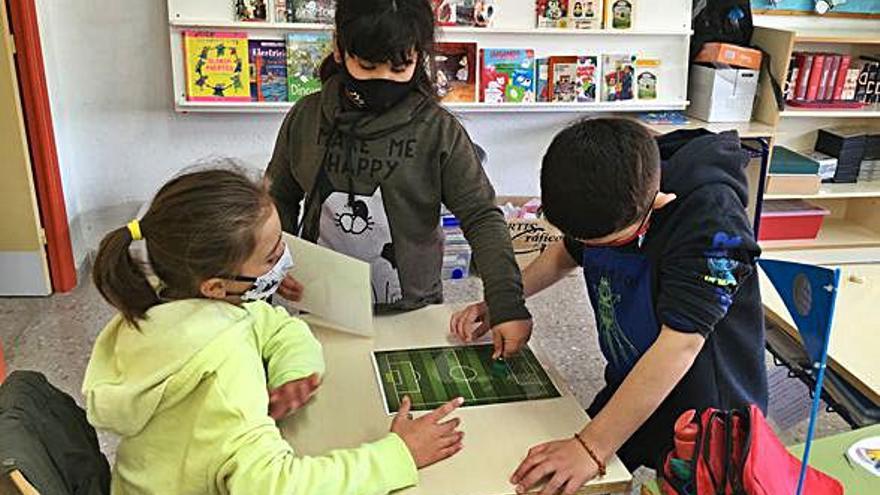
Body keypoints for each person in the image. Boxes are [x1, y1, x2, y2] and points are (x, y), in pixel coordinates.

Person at [83, 166, 464, 495]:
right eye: (271, 256)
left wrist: (292, 371)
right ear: (215, 286)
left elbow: (275, 325)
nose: (286, 260)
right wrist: (398, 453)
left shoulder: (163, 299)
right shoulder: (225, 369)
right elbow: (275, 486)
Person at [451, 119, 768, 494]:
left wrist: (592, 446)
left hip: (706, 409)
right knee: (568, 475)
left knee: (687, 481)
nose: (593, 249)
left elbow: (679, 345)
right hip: (632, 377)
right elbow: (566, 253)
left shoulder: (711, 219)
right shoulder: (607, 192)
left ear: (655, 207)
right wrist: (503, 302)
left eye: (609, 243)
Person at [266, 0, 532, 357]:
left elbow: (481, 216)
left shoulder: (438, 130)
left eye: (400, 66)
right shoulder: (305, 117)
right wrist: (274, 262)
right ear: (339, 49)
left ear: (418, 57)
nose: (384, 80)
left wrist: (507, 302)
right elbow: (278, 197)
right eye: (369, 65)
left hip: (413, 307)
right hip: (317, 302)